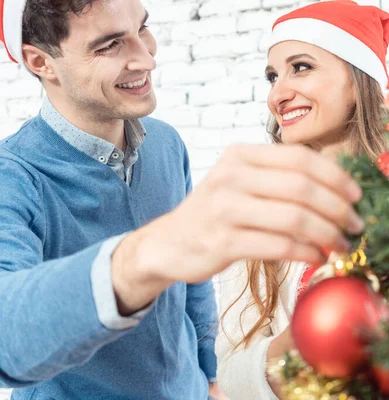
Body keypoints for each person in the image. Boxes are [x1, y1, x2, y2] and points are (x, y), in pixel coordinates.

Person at [0, 0, 365, 399]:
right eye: (109, 45)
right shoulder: (13, 174)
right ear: (41, 62)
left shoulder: (165, 143)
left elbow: (193, 282)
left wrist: (212, 375)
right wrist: (150, 253)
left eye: (142, 29)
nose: (146, 59)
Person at [215, 1, 389, 399]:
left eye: (301, 67)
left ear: (358, 83)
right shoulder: (257, 213)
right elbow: (231, 377)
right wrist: (311, 339)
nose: (278, 95)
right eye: (273, 76)